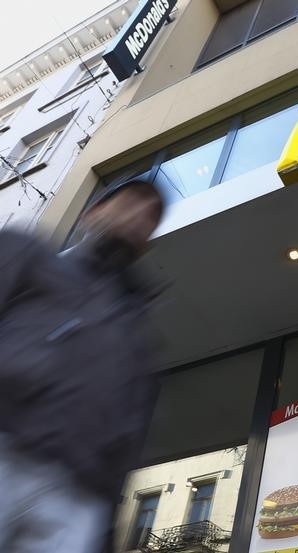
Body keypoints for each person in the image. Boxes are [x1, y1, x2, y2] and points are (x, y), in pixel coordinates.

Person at [0, 178, 165, 552]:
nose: (139, 216)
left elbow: (126, 440)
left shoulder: (138, 344)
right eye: (130, 203)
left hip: (73, 497)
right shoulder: (28, 257)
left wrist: (104, 526)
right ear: (93, 212)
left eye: (151, 217)